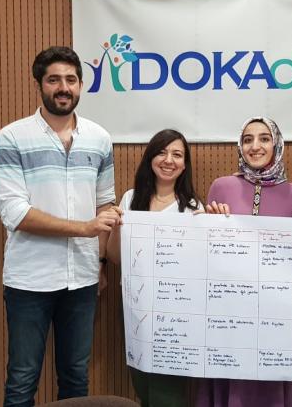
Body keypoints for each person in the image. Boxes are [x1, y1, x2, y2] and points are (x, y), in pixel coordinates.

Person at [0, 46, 123, 407]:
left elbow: (104, 205)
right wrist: (84, 228)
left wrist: (100, 263)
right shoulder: (12, 138)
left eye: (71, 79)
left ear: (80, 85)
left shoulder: (99, 138)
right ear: (39, 85)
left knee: (76, 377)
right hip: (29, 280)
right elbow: (15, 214)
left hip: (83, 279)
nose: (63, 87)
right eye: (54, 80)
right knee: (22, 379)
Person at [196, 117, 292, 407]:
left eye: (264, 138)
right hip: (228, 307)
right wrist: (209, 223)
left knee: (266, 380)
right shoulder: (222, 186)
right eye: (247, 139)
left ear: (277, 144)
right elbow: (206, 251)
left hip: (273, 310)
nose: (255, 146)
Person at [105, 129, 203, 407]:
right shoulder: (130, 199)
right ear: (150, 158)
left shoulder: (193, 208)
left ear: (184, 165)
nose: (168, 160)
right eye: (161, 152)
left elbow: (200, 268)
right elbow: (115, 258)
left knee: (167, 392)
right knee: (143, 385)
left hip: (175, 312)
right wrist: (117, 228)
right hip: (135, 307)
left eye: (177, 154)